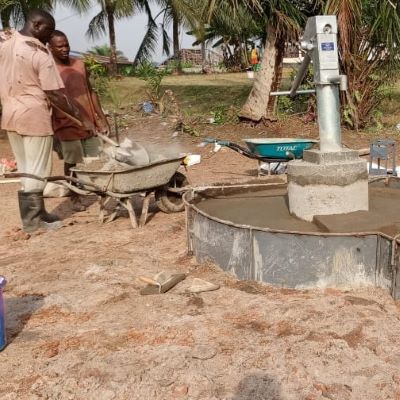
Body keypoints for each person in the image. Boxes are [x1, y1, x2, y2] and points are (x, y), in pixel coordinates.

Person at [0, 10, 88, 233]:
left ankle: (36, 214)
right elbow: (55, 94)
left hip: (10, 113)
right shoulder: (38, 53)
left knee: (26, 167)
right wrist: (80, 118)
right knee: (38, 169)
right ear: (36, 25)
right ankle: (34, 221)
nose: (49, 38)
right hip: (33, 116)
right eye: (48, 32)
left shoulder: (5, 42)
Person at [48, 30, 110, 211]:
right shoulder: (50, 69)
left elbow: (91, 92)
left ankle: (100, 193)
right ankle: (74, 196)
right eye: (59, 46)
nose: (65, 49)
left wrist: (102, 119)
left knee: (95, 160)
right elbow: (55, 99)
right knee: (72, 162)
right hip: (66, 123)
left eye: (66, 44)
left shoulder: (80, 64)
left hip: (89, 122)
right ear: (50, 48)